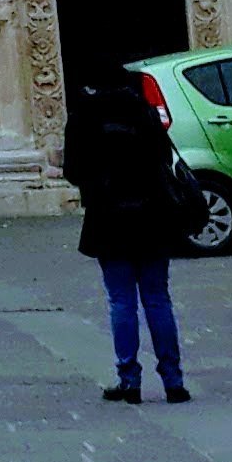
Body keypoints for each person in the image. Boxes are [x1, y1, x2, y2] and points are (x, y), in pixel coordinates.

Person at [62, 69, 191, 405]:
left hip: (109, 218)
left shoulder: (83, 116)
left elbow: (72, 170)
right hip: (151, 214)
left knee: (121, 301)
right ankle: (173, 380)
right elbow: (164, 158)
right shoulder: (142, 111)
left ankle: (129, 380)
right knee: (158, 298)